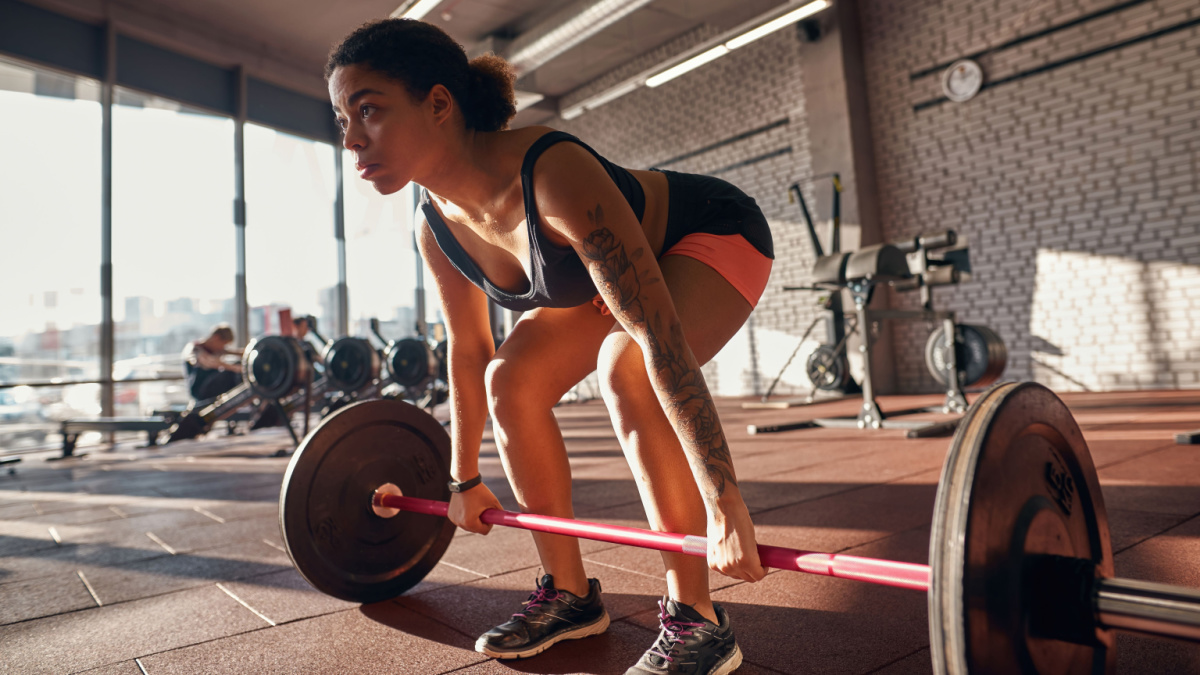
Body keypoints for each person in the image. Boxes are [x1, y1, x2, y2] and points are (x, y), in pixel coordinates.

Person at [327, 19, 773, 675]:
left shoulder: (552, 172)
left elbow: (659, 339)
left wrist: (725, 504)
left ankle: (697, 617)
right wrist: (464, 479)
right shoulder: (432, 223)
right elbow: (472, 351)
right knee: (513, 379)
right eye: (343, 116)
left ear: (439, 104)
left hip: (713, 232)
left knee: (626, 367)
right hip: (614, 278)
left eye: (369, 110)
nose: (351, 138)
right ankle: (568, 593)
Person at [182, 324, 243, 403]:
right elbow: (209, 362)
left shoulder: (217, 350)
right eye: (224, 344)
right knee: (232, 373)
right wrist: (235, 368)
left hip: (211, 386)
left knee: (239, 365)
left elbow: (238, 352)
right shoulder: (194, 348)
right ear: (216, 337)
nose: (223, 347)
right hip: (200, 390)